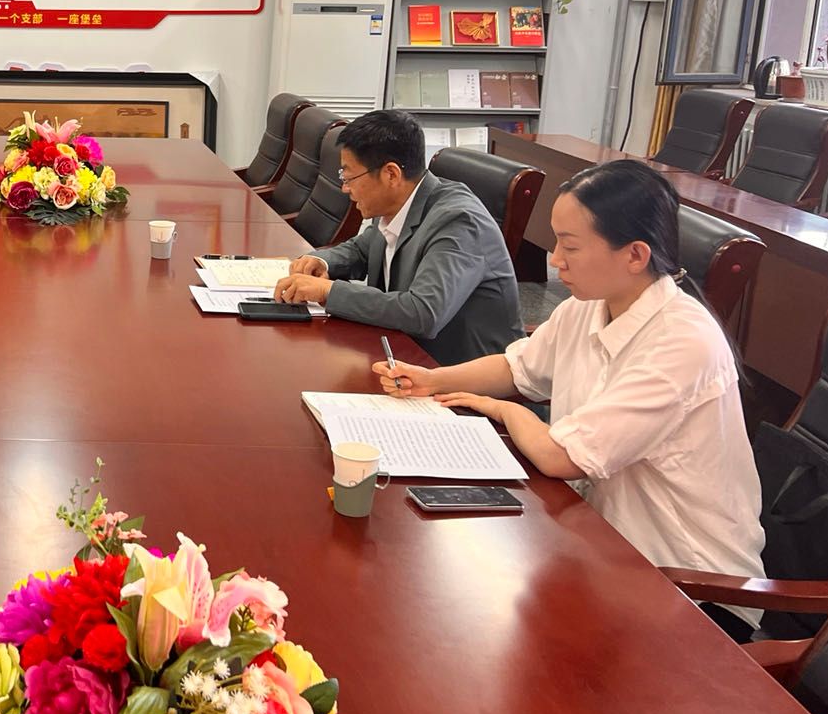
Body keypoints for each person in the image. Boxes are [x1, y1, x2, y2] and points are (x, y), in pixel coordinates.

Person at [375, 160, 765, 606]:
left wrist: (505, 409)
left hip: (685, 584)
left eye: (570, 246)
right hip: (595, 541)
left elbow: (562, 457)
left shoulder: (682, 342)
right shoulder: (589, 304)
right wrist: (430, 380)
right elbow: (518, 368)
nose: (555, 259)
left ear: (635, 255)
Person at [273, 109, 522, 364]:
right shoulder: (398, 203)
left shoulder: (459, 221)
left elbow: (422, 313)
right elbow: (362, 249)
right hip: (401, 355)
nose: (345, 188)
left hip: (457, 373)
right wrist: (321, 262)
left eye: (350, 177)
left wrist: (328, 292)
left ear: (391, 174)